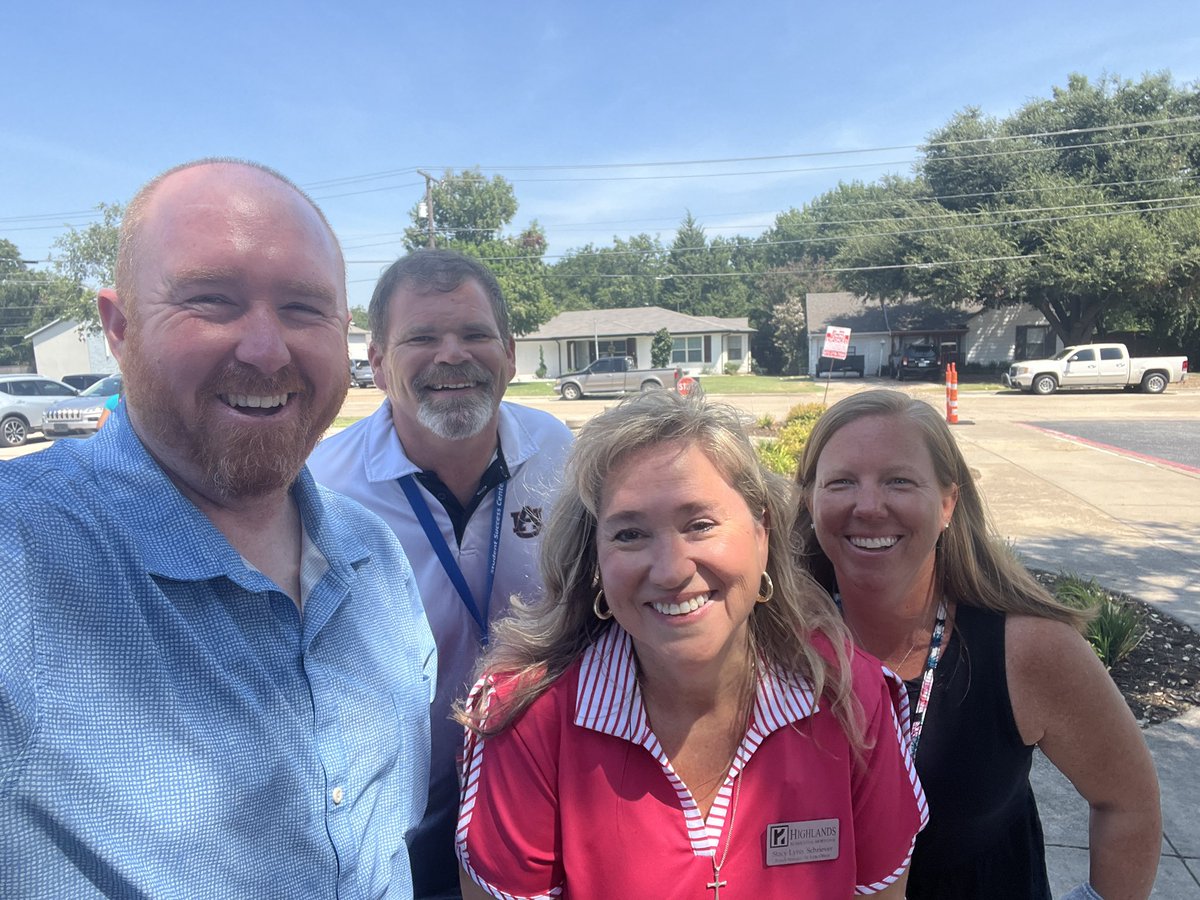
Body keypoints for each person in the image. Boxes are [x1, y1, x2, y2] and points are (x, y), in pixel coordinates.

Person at [0, 160, 437, 899]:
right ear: (118, 327)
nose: (266, 350)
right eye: (211, 301)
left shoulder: (377, 559)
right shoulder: (19, 558)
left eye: (304, 308)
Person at [455, 391, 927, 898]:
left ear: (762, 531)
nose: (672, 569)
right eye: (630, 534)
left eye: (699, 524)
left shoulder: (850, 695)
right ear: (594, 558)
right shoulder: (526, 719)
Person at [794, 389, 1161, 900]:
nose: (869, 505)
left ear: (948, 502)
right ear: (810, 500)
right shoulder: (775, 641)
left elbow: (1129, 803)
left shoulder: (1028, 650)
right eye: (841, 482)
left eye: (898, 480)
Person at [308, 249, 573, 900]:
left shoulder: (560, 453)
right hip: (397, 811)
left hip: (543, 784)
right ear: (376, 362)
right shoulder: (319, 487)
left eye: (475, 334)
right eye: (421, 337)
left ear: (510, 353)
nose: (452, 354)